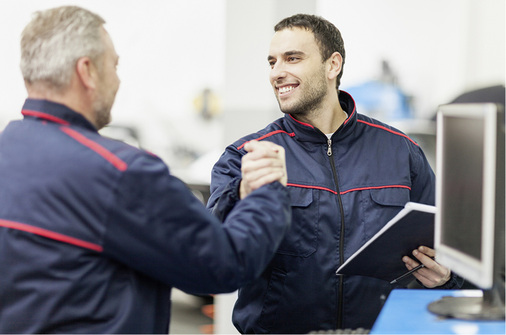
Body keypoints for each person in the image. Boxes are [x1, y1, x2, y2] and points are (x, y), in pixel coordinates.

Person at [0, 6, 291, 333]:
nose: (118, 79)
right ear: (87, 71)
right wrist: (266, 192)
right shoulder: (119, 173)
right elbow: (222, 265)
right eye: (114, 65)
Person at [207, 14, 463, 333]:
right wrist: (243, 193)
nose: (277, 72)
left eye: (293, 58)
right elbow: (210, 256)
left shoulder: (401, 151)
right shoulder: (247, 156)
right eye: (272, 62)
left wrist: (446, 278)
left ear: (332, 65)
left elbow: (452, 249)